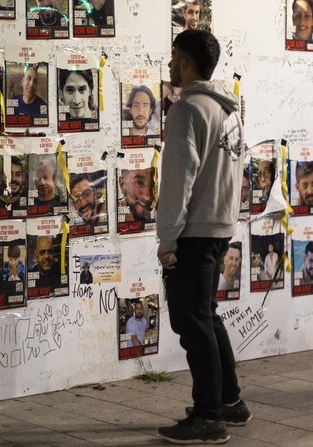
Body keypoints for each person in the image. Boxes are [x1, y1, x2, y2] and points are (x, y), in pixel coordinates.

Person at [157, 29, 250, 443]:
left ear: (187, 62)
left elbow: (177, 182)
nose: (171, 64)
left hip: (193, 232)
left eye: (175, 57)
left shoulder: (186, 110)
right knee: (207, 318)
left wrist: (167, 241)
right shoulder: (230, 111)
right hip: (220, 228)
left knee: (194, 324)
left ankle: (210, 416)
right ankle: (230, 402)